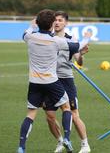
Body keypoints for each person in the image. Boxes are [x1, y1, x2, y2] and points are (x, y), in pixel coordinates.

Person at [17, 9, 81, 153]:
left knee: (30, 114)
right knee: (66, 108)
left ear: (37, 23)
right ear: (52, 24)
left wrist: (32, 26)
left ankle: (21, 147)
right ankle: (67, 138)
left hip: (34, 82)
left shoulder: (30, 37)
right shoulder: (56, 41)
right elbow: (75, 46)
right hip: (52, 82)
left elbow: (24, 33)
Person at [43, 11, 91, 153]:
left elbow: (78, 60)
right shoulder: (48, 37)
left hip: (66, 79)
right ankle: (60, 142)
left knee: (74, 114)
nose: (57, 22)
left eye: (60, 20)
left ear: (66, 23)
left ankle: (85, 144)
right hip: (49, 80)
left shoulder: (71, 38)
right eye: (55, 20)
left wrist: (80, 55)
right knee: (50, 117)